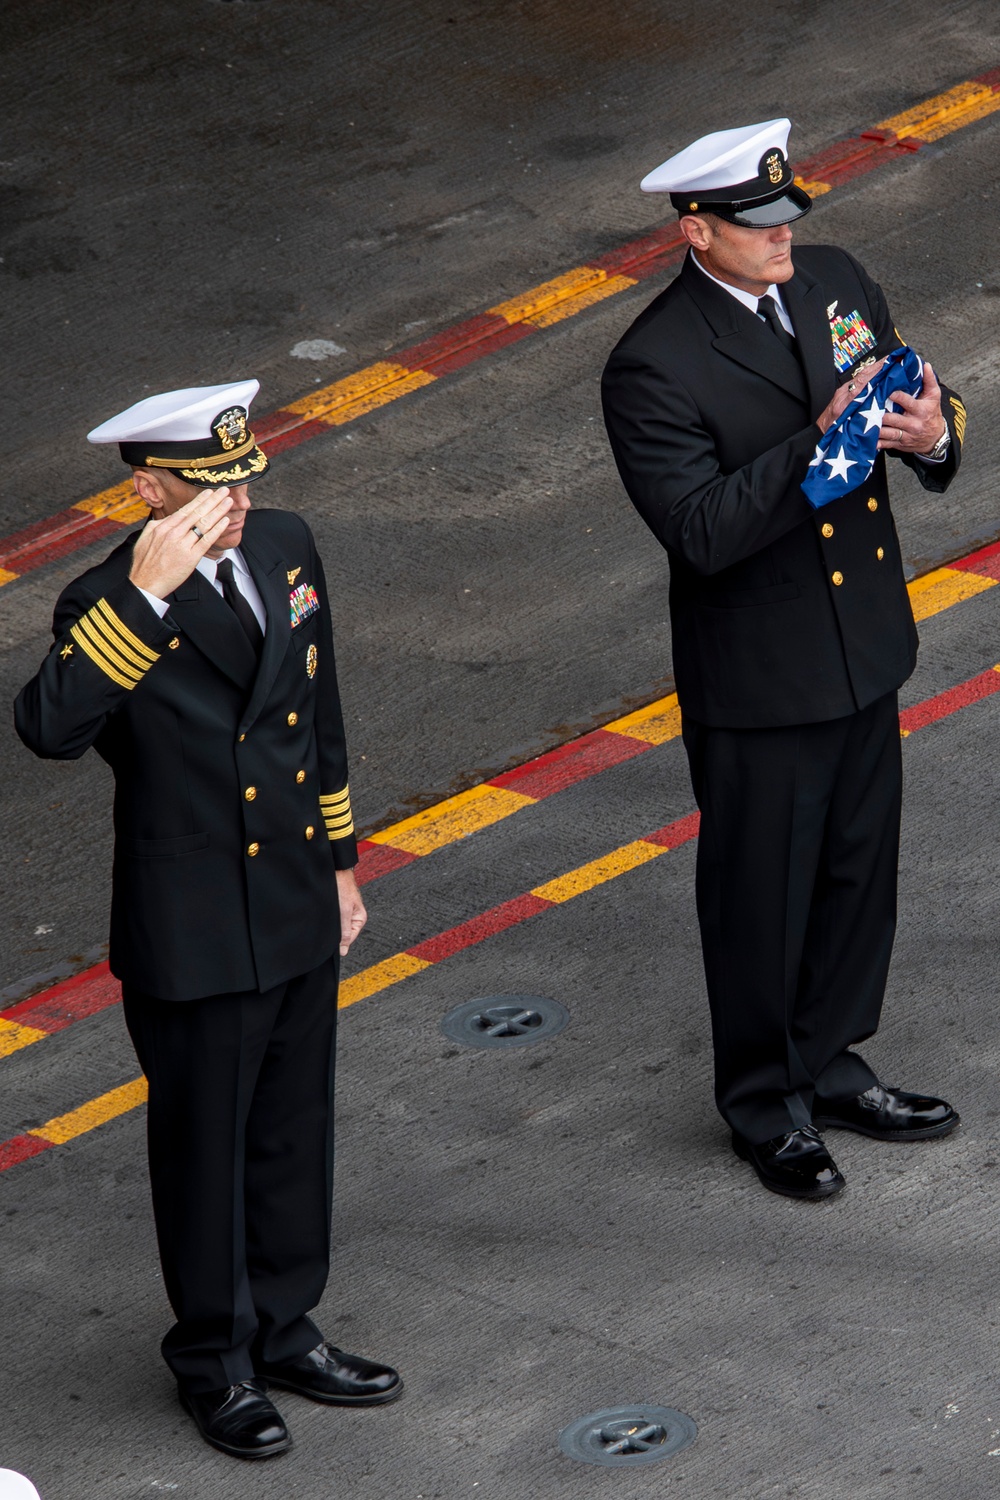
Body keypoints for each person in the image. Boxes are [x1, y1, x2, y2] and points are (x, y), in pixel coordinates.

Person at [14, 381, 402, 1458]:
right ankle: (216, 1362)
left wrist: (339, 861)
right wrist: (143, 595)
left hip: (290, 897)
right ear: (148, 489)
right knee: (206, 1155)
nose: (232, 506)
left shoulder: (285, 544)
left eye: (241, 482)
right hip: (190, 922)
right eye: (205, 489)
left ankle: (286, 1326)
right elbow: (49, 726)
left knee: (290, 1131)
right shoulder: (106, 599)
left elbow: (317, 713)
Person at [601, 120, 966, 1201]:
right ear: (696, 230)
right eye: (756, 226)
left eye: (786, 215)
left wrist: (930, 433)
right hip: (761, 678)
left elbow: (915, 411)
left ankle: (833, 1059)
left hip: (863, 646)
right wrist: (823, 441)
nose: (784, 238)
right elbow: (701, 530)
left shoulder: (835, 281)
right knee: (761, 900)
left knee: (859, 878)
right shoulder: (652, 366)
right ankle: (766, 1103)